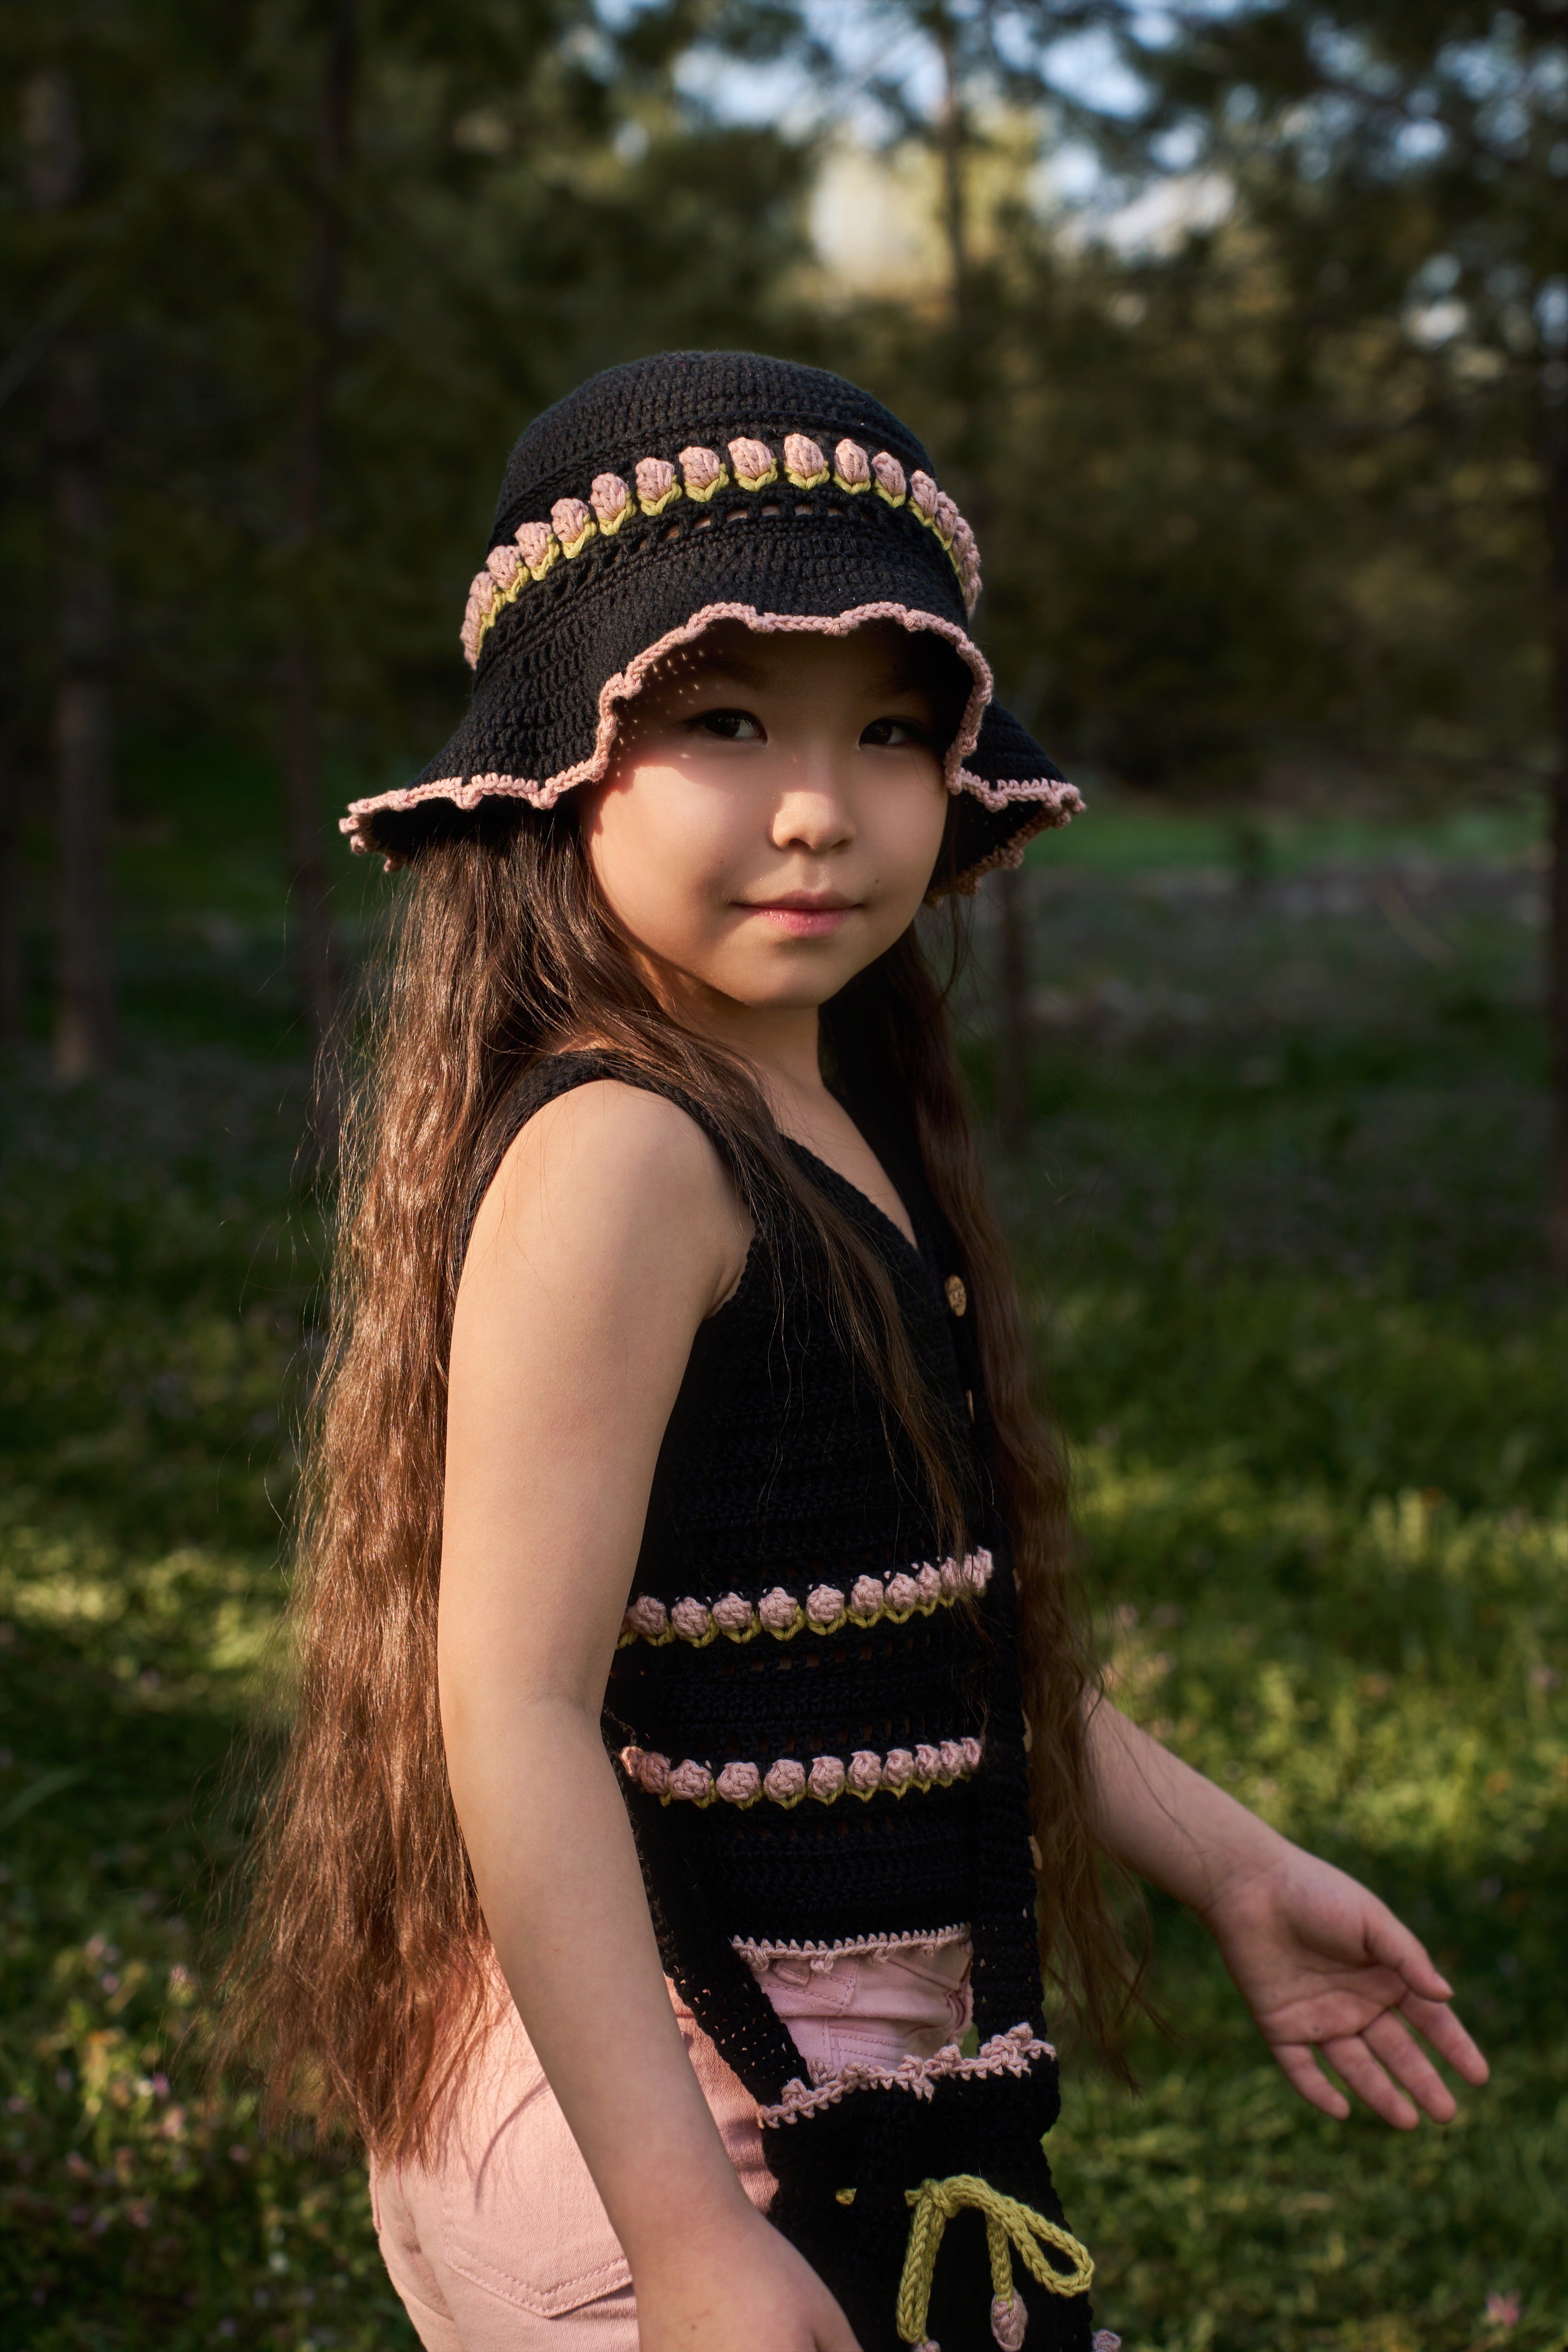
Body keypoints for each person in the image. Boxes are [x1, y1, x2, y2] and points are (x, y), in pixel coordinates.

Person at [225, 353, 1487, 2352]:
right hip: (667, 2115)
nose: (821, 809)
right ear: (563, 754)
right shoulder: (630, 1151)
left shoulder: (818, 1116)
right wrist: (694, 2236)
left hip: (813, 2087)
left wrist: (1235, 1865)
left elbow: (909, 1623)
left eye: (893, 732)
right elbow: (517, 1710)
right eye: (726, 720)